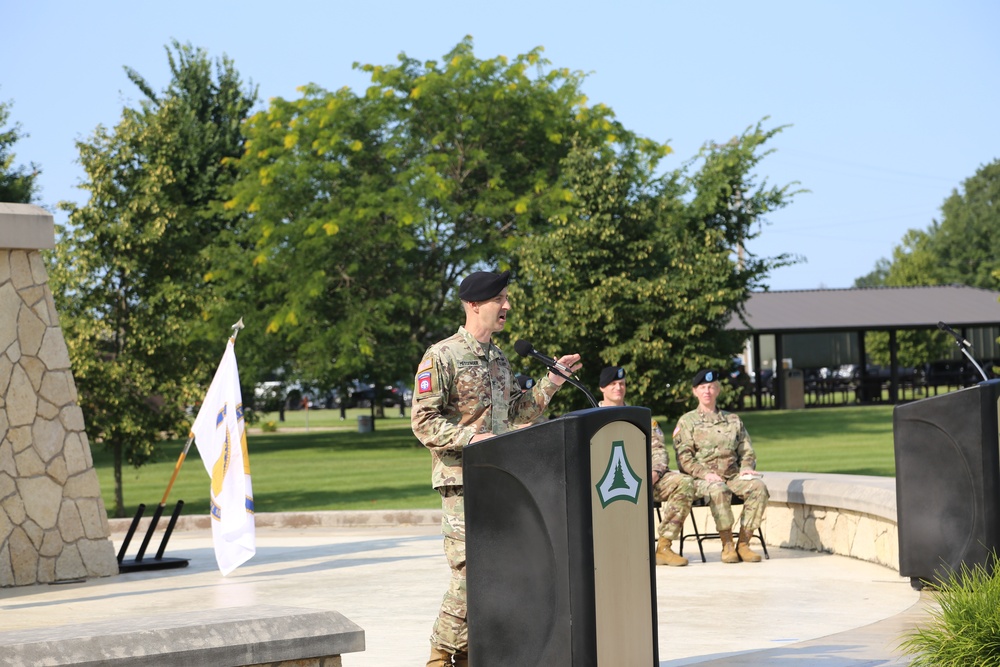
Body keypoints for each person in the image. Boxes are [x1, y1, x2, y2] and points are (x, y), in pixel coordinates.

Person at [411, 269, 581, 667]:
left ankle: (481, 652)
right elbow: (423, 420)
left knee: (502, 573)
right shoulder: (442, 355)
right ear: (474, 305)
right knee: (470, 573)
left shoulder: (499, 357)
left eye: (506, 298)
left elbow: (520, 411)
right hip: (462, 483)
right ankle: (442, 655)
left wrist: (552, 380)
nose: (506, 306)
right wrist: (473, 439)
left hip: (503, 481)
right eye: (499, 299)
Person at [597, 366, 694, 567]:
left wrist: (654, 473)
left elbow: (658, 452)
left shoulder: (641, 418)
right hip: (605, 486)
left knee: (683, 483)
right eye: (613, 384)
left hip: (645, 481)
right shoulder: (592, 420)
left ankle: (664, 547)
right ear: (602, 389)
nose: (618, 388)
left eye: (622, 384)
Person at [673, 369, 768, 564]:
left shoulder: (732, 420)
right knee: (719, 489)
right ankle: (727, 545)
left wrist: (746, 468)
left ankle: (743, 544)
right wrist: (705, 474)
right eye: (702, 388)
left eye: (711, 387)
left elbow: (746, 450)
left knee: (759, 488)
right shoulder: (687, 421)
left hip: (732, 477)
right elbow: (684, 458)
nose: (707, 391)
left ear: (717, 390)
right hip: (701, 480)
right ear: (695, 392)